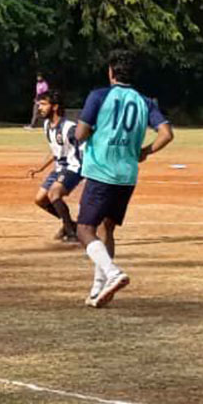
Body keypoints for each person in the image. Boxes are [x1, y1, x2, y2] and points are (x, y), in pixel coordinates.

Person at [72, 50, 174, 308]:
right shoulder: (144, 101)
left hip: (101, 171)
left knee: (84, 229)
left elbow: (81, 133)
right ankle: (98, 288)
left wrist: (79, 130)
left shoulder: (99, 96)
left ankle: (113, 272)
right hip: (127, 174)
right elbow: (167, 133)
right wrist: (146, 151)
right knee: (108, 228)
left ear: (111, 72)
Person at [29, 90, 84, 242]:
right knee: (40, 199)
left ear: (54, 107)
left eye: (43, 104)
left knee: (54, 194)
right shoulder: (47, 125)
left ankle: (72, 234)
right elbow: (55, 150)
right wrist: (40, 168)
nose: (39, 107)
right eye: (39, 104)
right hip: (59, 168)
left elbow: (84, 147)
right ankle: (70, 225)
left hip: (74, 167)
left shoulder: (70, 128)